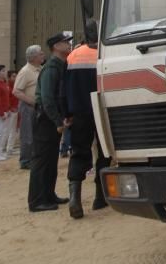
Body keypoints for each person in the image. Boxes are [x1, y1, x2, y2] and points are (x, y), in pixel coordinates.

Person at [65, 21, 110, 218]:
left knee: (79, 153)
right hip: (102, 111)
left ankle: (74, 196)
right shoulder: (104, 52)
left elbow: (64, 89)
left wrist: (67, 113)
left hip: (80, 112)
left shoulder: (73, 55)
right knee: (104, 153)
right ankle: (101, 198)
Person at [27, 32, 72, 212]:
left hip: (52, 119)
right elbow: (47, 99)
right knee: (42, 161)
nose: (68, 45)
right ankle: (37, 201)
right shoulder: (52, 67)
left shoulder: (61, 65)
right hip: (45, 119)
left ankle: (49, 194)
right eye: (64, 43)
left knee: (51, 160)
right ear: (55, 47)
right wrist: (58, 121)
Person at [13, 45, 44, 170]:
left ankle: (34, 157)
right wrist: (32, 102)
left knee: (37, 133)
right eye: (40, 54)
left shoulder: (40, 69)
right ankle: (25, 160)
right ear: (34, 57)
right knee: (27, 134)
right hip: (28, 106)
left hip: (38, 106)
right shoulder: (25, 71)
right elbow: (16, 91)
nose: (43, 55)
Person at [5, 71, 19, 158]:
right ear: (9, 77)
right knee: (10, 130)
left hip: (16, 109)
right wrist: (10, 108)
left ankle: (10, 148)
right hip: (11, 111)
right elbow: (6, 100)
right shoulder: (8, 87)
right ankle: (7, 148)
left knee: (13, 130)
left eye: (16, 76)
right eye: (13, 76)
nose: (15, 78)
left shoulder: (16, 86)